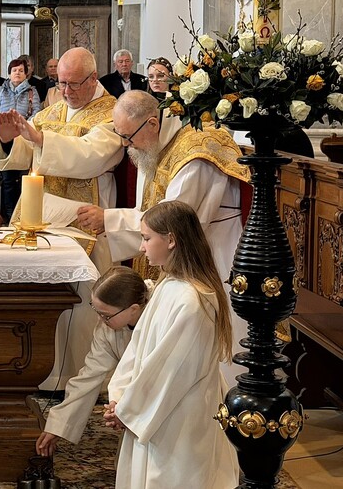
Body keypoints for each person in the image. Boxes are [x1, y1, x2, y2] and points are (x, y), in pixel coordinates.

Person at [74, 90, 249, 384]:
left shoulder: (196, 153)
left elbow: (177, 221)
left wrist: (109, 219)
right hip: (184, 252)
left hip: (212, 254)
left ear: (153, 124)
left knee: (214, 346)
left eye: (128, 136)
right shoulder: (155, 145)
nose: (126, 145)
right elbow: (150, 209)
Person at [0, 46, 124, 389]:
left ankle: (75, 379)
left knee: (80, 304)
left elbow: (93, 157)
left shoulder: (111, 114)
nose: (65, 91)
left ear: (93, 78)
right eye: (60, 83)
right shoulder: (52, 111)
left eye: (73, 84)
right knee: (39, 295)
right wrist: (8, 140)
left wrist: (39, 138)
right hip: (40, 215)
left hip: (84, 218)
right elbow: (23, 153)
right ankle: (36, 371)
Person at [105, 201, 240, 489]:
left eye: (146, 238)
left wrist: (128, 410)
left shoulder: (192, 302)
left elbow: (169, 372)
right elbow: (138, 349)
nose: (141, 247)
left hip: (176, 419)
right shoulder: (169, 285)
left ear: (171, 240)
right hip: (152, 409)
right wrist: (119, 397)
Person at [35, 267, 148, 457]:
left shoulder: (159, 320)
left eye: (105, 314)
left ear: (133, 309)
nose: (100, 319)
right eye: (96, 311)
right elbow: (90, 375)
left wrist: (123, 403)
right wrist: (58, 425)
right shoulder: (108, 328)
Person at [0, 58, 40, 221]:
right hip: (5, 140)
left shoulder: (32, 92)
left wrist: (22, 131)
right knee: (8, 180)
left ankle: (23, 215)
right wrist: (4, 132)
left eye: (20, 70)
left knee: (24, 179)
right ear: (9, 74)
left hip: (24, 141)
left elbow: (36, 114)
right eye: (14, 70)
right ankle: (10, 216)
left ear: (26, 74)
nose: (17, 73)